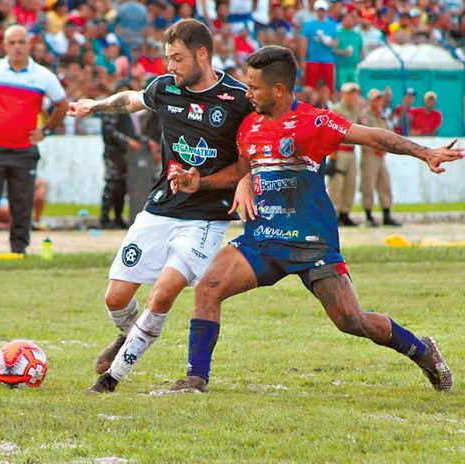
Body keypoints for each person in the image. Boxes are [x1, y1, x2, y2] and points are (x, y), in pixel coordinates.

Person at [163, 45, 460, 394]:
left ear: (278, 90)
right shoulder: (248, 126)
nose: (248, 93)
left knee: (351, 320)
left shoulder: (313, 121)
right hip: (263, 238)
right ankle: (196, 380)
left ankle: (422, 350)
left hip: (310, 240)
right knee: (208, 287)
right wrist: (202, 183)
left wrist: (424, 152)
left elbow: (374, 136)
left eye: (254, 87)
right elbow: (242, 171)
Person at [67, 18, 254, 394]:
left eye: (178, 58)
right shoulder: (165, 88)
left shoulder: (237, 99)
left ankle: (110, 380)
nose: (170, 66)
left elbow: (246, 162)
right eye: (168, 58)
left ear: (203, 54)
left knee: (162, 293)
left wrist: (212, 182)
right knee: (116, 298)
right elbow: (131, 100)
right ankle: (130, 335)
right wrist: (95, 105)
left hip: (207, 216)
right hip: (160, 208)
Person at [0, 25, 68, 255]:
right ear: (4, 45)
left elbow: (63, 105)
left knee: (22, 202)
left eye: (21, 42)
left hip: (24, 149)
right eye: (12, 43)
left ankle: (19, 249)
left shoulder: (43, 76)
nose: (17, 47)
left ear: (29, 45)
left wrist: (44, 131)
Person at [99, 80, 150, 230]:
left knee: (122, 186)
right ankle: (104, 218)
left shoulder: (129, 112)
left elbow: (134, 134)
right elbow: (110, 132)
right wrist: (128, 142)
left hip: (125, 155)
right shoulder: (111, 109)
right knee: (112, 184)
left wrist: (147, 142)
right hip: (113, 153)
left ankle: (118, 218)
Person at [360, 89, 401, 227]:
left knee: (385, 183)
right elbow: (366, 135)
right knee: (368, 184)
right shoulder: (365, 116)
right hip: (370, 155)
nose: (378, 102)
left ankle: (387, 213)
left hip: (381, 156)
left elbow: (388, 134)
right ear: (370, 101)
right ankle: (368, 215)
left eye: (380, 99)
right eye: (375, 99)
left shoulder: (381, 117)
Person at [327, 82, 362, 226]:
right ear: (343, 94)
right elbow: (331, 132)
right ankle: (333, 214)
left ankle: (345, 213)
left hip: (351, 151)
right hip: (339, 150)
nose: (352, 96)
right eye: (349, 93)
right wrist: (332, 156)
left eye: (355, 93)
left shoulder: (356, 110)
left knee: (350, 183)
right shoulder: (336, 109)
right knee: (336, 183)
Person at [300, 0, 337, 92]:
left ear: (326, 11)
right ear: (316, 11)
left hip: (328, 60)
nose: (321, 12)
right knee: (310, 86)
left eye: (323, 10)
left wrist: (329, 42)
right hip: (313, 59)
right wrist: (303, 60)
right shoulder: (309, 25)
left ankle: (328, 105)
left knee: (329, 87)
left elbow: (336, 42)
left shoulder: (331, 24)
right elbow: (304, 43)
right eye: (319, 10)